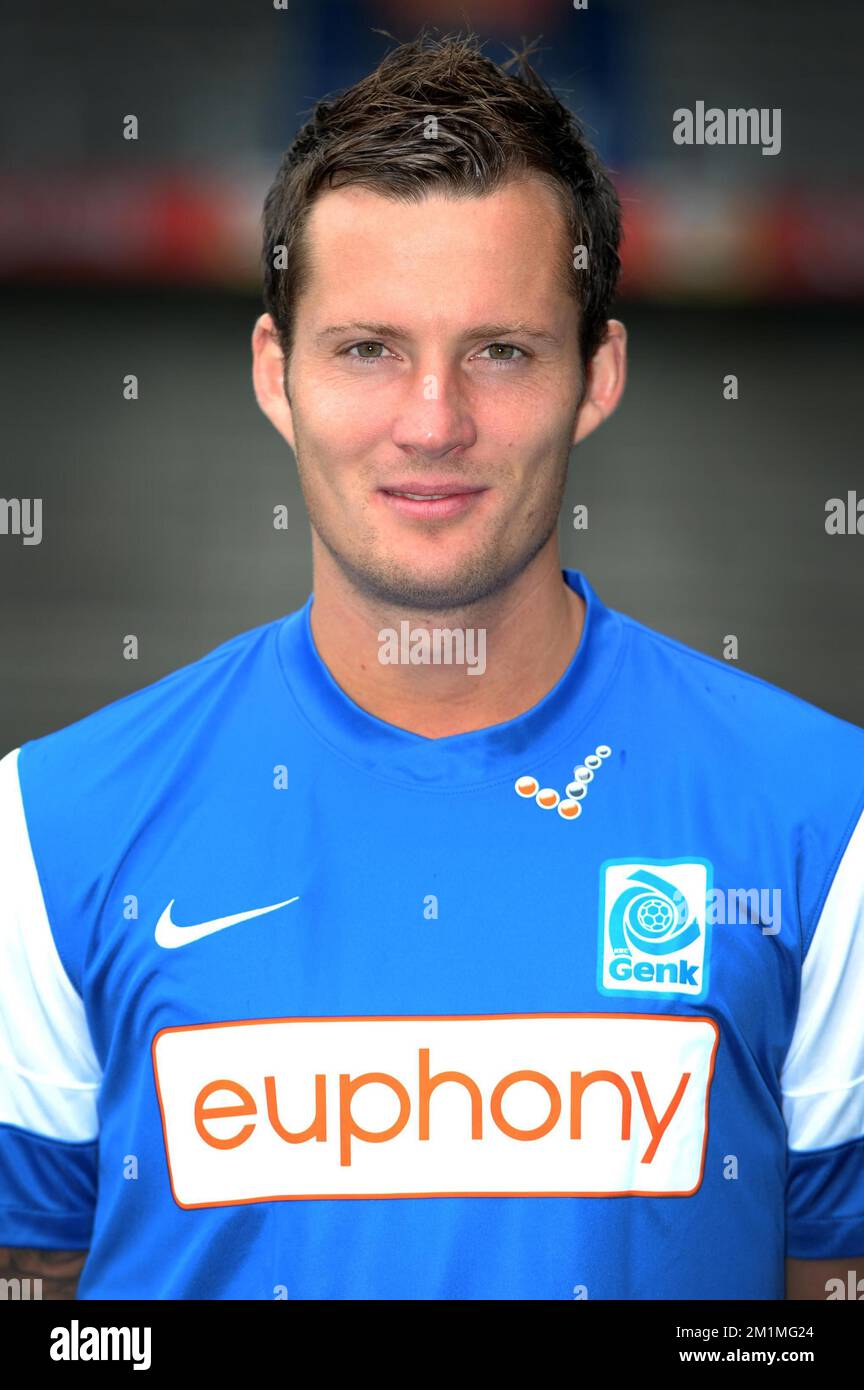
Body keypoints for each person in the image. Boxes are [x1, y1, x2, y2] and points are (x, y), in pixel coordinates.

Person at [1, 31, 862, 1302]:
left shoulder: (825, 818)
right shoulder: (48, 828)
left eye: (501, 351)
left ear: (597, 375)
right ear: (274, 374)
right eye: (367, 348)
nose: (433, 420)